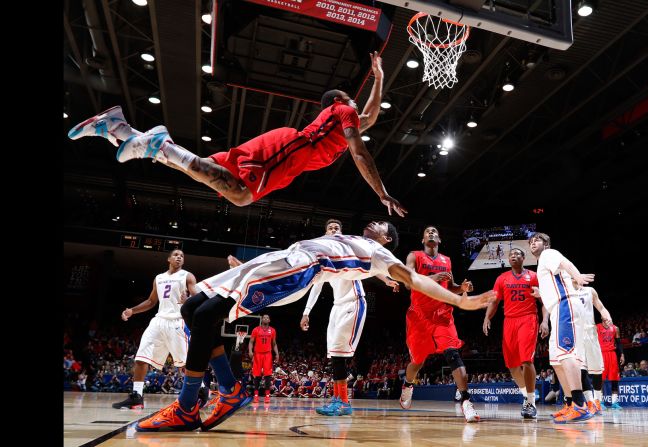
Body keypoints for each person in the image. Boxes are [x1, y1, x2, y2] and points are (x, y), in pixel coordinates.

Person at [135, 221, 495, 432]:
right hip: (281, 256)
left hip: (301, 266)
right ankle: (229, 390)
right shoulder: (346, 237)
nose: (375, 223)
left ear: (387, 240)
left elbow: (414, 279)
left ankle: (186, 407)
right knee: (193, 310)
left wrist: (460, 301)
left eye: (383, 227)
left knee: (204, 315)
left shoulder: (381, 255)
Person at [68, 53, 406, 217]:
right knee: (241, 194)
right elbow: (360, 153)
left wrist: (378, 78)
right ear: (338, 102)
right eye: (352, 101)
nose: (357, 108)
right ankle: (159, 142)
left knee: (200, 171)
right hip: (291, 150)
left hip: (288, 155)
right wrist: (382, 192)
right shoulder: (340, 110)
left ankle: (118, 127)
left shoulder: (345, 116)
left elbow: (371, 116)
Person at [301, 218, 400, 416]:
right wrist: (306, 312)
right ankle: (338, 399)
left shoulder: (348, 247)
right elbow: (316, 285)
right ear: (325, 232)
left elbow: (370, 263)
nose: (334, 229)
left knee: (339, 356)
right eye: (330, 227)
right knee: (334, 357)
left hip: (353, 302)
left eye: (337, 227)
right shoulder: (324, 255)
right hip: (337, 306)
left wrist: (387, 279)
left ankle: (344, 402)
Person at [397, 226, 480, 423]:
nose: (431, 233)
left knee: (453, 353)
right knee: (417, 361)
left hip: (442, 314)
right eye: (427, 231)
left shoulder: (446, 260)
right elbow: (408, 282)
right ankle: (408, 384)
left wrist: (462, 288)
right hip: (419, 316)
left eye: (435, 231)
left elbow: (449, 288)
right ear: (423, 239)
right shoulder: (414, 256)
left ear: (440, 240)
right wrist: (432, 278)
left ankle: (467, 401)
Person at [112, 250, 205, 410]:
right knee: (141, 357)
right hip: (158, 321)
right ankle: (137, 396)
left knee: (185, 364)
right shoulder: (159, 278)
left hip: (177, 321)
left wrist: (188, 300)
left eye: (182, 255)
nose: (179, 257)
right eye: (176, 255)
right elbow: (150, 301)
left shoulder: (187, 276)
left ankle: (202, 390)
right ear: (169, 258)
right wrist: (132, 311)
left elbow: (199, 298)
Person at [528, 232, 595, 423]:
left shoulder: (548, 254)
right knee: (556, 360)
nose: (533, 243)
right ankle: (569, 404)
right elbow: (557, 283)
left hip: (565, 304)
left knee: (566, 354)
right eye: (531, 242)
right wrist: (540, 292)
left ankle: (580, 405)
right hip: (557, 308)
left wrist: (578, 277)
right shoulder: (543, 263)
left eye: (537, 240)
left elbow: (566, 264)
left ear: (546, 243)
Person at [483, 248, 549, 419]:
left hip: (528, 318)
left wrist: (544, 321)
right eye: (511, 254)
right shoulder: (502, 278)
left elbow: (544, 301)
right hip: (509, 321)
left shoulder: (533, 276)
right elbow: (495, 301)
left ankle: (531, 402)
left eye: (517, 254)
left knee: (526, 360)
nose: (513, 256)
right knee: (512, 365)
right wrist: (486, 318)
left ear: (523, 258)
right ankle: (527, 396)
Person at [571, 277, 614, 415]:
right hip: (575, 333)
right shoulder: (566, 292)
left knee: (596, 370)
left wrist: (606, 316)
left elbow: (601, 307)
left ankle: (597, 401)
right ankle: (589, 402)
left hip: (591, 332)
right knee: (581, 369)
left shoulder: (590, 290)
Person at [249, 315, 278, 403]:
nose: (265, 318)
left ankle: (267, 396)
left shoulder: (272, 330)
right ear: (262, 320)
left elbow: (274, 344)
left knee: (268, 376)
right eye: (264, 317)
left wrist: (277, 353)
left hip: (268, 354)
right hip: (257, 354)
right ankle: (256, 395)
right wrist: (250, 351)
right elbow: (251, 342)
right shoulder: (256, 329)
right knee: (257, 375)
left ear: (269, 320)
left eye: (267, 318)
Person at [597, 319, 624, 409]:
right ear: (601, 317)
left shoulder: (615, 328)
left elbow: (619, 343)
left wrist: (622, 355)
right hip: (601, 354)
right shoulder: (596, 327)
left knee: (615, 378)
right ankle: (600, 402)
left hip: (612, 353)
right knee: (600, 379)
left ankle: (614, 402)